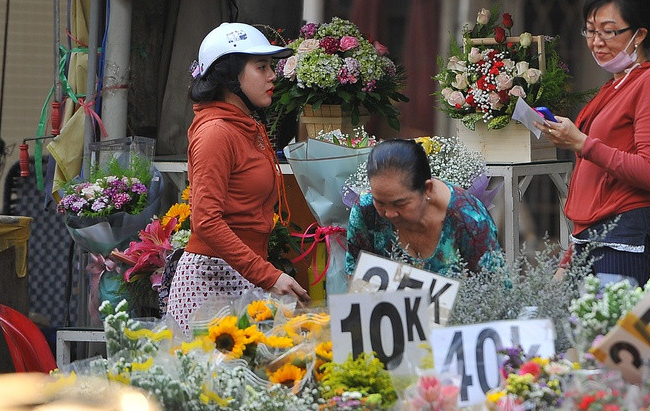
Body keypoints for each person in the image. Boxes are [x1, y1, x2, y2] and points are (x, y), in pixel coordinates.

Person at [537, 0, 650, 286]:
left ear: (640, 34)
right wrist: (569, 258)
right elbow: (595, 186)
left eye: (608, 31)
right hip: (596, 237)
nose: (596, 41)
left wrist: (582, 143)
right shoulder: (616, 85)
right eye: (590, 31)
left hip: (629, 240)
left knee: (615, 321)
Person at [166, 22, 310, 331]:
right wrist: (268, 275)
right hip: (211, 279)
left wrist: (263, 273)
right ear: (229, 76)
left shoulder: (243, 125)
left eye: (271, 66)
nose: (272, 75)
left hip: (241, 272)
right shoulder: (216, 132)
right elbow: (205, 220)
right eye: (261, 67)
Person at [345, 139, 502, 277]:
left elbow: (494, 291)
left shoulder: (470, 220)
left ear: (427, 189)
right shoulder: (365, 210)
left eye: (400, 204)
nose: (390, 213)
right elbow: (358, 283)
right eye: (380, 202)